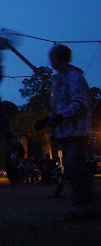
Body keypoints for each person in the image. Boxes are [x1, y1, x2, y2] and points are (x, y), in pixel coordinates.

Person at [35, 44, 93, 217]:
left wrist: (61, 116)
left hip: (77, 131)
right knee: (71, 168)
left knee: (75, 168)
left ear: (60, 58)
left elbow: (80, 103)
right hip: (65, 132)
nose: (50, 62)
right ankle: (82, 202)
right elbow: (60, 106)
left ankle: (87, 204)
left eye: (52, 58)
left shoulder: (74, 77)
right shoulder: (59, 80)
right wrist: (48, 119)